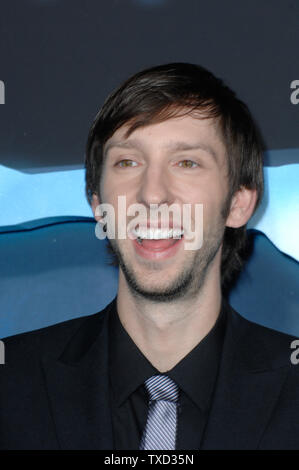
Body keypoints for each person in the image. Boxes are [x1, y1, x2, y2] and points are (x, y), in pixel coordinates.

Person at [1, 63, 299, 450]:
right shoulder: (11, 386)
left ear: (238, 204)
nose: (152, 194)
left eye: (187, 162)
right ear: (98, 204)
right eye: (127, 162)